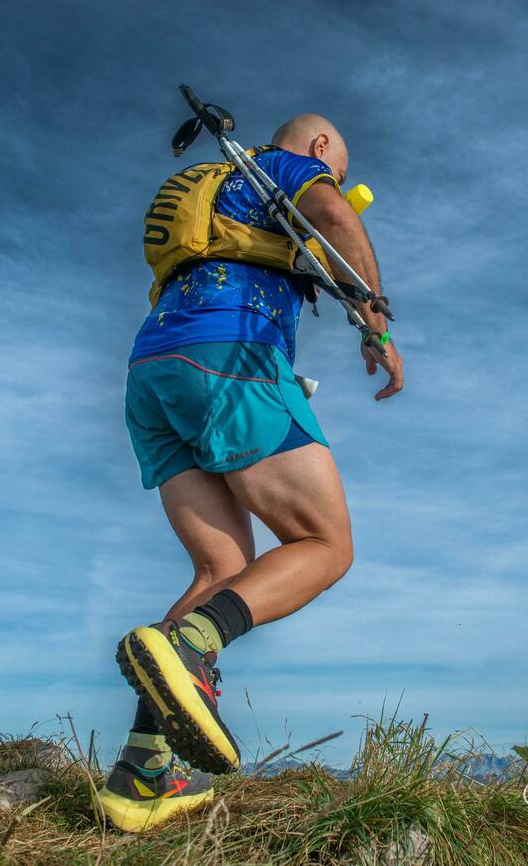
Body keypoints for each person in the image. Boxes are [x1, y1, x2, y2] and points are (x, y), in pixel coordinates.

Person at [93, 113, 404, 832]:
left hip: (154, 371)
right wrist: (375, 317)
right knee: (324, 545)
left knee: (220, 571)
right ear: (321, 147)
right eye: (338, 167)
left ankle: (141, 775)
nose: (336, 182)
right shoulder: (284, 169)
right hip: (227, 359)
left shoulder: (214, 182)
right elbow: (329, 214)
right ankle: (191, 647)